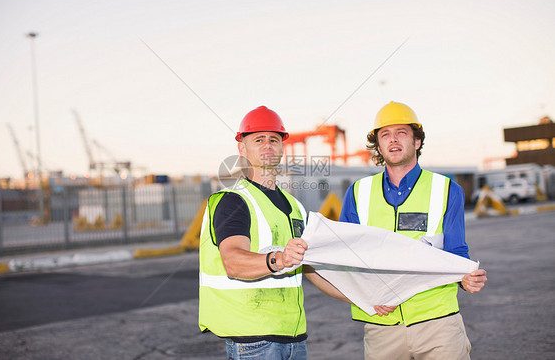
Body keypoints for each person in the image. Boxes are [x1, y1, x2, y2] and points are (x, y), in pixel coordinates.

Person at [340, 101, 488, 360]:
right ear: (378, 145)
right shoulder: (357, 193)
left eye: (402, 133)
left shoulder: (447, 190)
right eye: (385, 134)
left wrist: (467, 278)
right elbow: (344, 258)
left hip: (437, 323)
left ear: (417, 141)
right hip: (381, 325)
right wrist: (366, 295)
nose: (393, 140)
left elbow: (456, 252)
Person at [199, 105, 346, 360]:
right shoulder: (233, 201)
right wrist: (280, 259)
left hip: (293, 338)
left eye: (274, 139)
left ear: (281, 147)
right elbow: (233, 262)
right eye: (259, 139)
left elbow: (309, 269)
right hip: (253, 340)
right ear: (242, 148)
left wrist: (362, 300)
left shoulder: (295, 207)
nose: (268, 145)